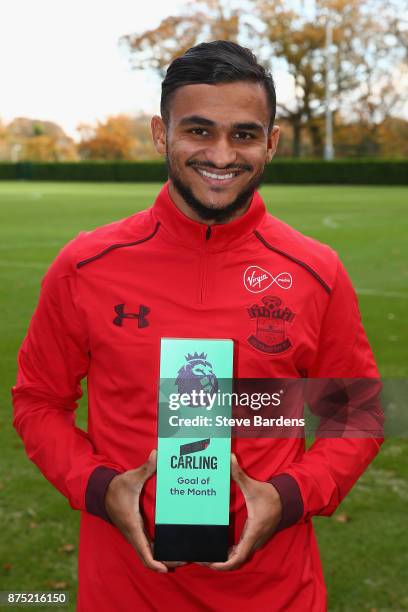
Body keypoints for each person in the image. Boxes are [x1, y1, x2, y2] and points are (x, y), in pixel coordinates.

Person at [12, 41, 383, 611]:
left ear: (271, 143)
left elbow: (355, 411)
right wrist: (99, 487)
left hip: (276, 592)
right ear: (162, 135)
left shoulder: (315, 270)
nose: (221, 154)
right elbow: (38, 400)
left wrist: (287, 497)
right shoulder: (86, 266)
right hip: (124, 592)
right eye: (199, 131)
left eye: (243, 134)